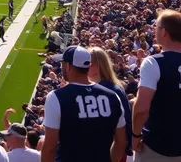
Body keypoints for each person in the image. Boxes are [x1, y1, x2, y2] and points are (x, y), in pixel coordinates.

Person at [41, 46, 126, 162]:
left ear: (69, 66)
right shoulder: (113, 96)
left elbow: (50, 147)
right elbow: (121, 142)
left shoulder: (56, 97)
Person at [132, 9, 181, 160]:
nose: (154, 30)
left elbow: (141, 109)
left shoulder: (154, 62)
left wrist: (135, 135)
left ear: (164, 32)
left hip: (157, 144)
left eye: (156, 27)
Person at [88, 46, 133, 159]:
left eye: (88, 63)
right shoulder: (85, 87)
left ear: (98, 66)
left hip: (112, 148)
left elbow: (125, 120)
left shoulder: (114, 90)